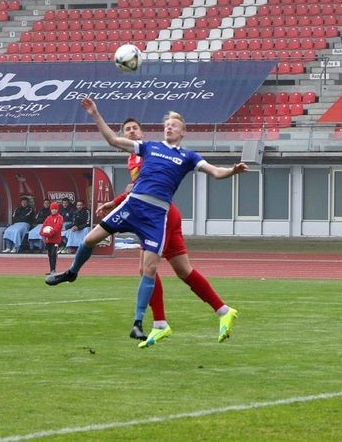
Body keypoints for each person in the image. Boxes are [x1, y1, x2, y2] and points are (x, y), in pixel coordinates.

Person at [46, 99, 247, 348]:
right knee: (177, 270)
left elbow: (215, 172)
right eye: (167, 125)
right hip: (137, 207)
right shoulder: (147, 149)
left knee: (150, 269)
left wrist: (231, 171)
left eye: (174, 125)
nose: (169, 128)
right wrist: (95, 114)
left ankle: (153, 322)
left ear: (183, 131)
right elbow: (118, 151)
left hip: (161, 215)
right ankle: (208, 313)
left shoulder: (184, 155)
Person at [94, 116, 239, 347]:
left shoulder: (152, 152)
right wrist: (116, 202)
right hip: (158, 213)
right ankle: (222, 310)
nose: (131, 132)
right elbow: (139, 188)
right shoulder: (134, 159)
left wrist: (118, 201)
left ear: (143, 133)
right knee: (182, 270)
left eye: (135, 129)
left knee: (146, 269)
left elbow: (147, 187)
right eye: (127, 130)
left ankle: (160, 323)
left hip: (157, 216)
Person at [40, 202, 64, 275]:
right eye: (52, 209)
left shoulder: (59, 217)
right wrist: (42, 233)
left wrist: (50, 233)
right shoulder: (48, 218)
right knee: (50, 254)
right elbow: (43, 226)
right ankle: (51, 270)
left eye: (55, 209)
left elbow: (58, 227)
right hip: (48, 240)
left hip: (56, 239)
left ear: (57, 209)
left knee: (54, 254)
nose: (54, 210)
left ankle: (53, 270)